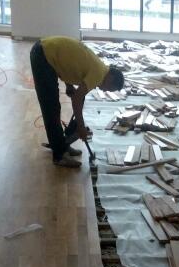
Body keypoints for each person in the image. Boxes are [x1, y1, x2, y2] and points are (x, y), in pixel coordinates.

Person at [29, 36, 125, 168]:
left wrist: (69, 85)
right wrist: (81, 126)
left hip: (47, 51)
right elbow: (76, 99)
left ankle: (62, 145)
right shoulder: (98, 74)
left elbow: (69, 63)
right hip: (43, 55)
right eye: (109, 88)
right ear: (111, 79)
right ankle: (59, 156)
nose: (104, 90)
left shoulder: (101, 69)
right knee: (50, 107)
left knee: (55, 107)